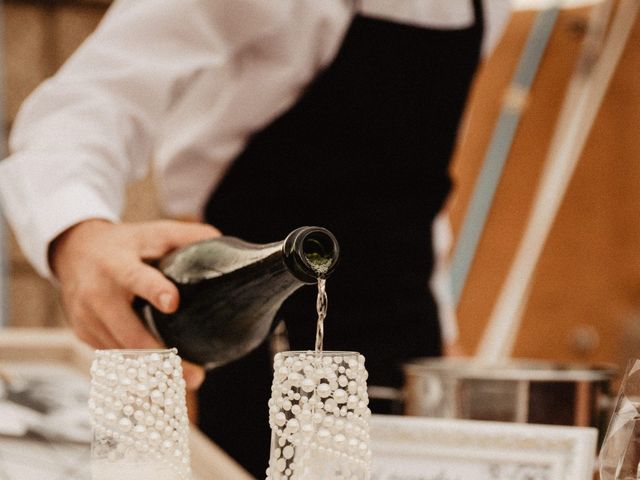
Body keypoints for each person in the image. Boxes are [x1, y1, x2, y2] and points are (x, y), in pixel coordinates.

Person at [0, 0, 510, 476]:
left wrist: (445, 336)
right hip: (247, 332)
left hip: (406, 336)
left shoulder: (489, 7)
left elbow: (409, 188)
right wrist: (78, 236)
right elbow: (87, 102)